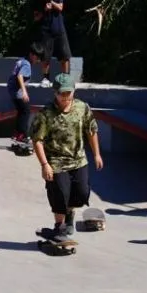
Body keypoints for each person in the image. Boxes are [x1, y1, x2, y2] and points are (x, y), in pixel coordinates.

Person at [28, 72, 103, 241]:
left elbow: (91, 130)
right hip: (56, 161)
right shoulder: (46, 114)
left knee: (82, 193)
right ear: (55, 93)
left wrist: (97, 154)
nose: (65, 97)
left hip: (78, 159)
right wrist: (44, 164)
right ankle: (59, 226)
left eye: (68, 93)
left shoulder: (82, 108)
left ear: (73, 92)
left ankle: (70, 214)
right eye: (61, 93)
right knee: (60, 194)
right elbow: (37, 140)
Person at [34, 0, 71, 86]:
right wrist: (44, 10)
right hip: (46, 30)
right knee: (45, 56)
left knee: (64, 55)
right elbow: (36, 17)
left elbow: (60, 7)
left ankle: (65, 78)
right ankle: (45, 79)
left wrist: (52, 3)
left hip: (59, 29)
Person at [8, 48, 41, 153]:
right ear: (32, 55)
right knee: (26, 112)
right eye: (37, 57)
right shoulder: (27, 64)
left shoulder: (21, 60)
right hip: (18, 92)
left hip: (12, 90)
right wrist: (24, 91)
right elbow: (20, 76)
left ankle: (17, 134)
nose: (38, 60)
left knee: (21, 112)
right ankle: (22, 135)